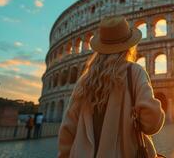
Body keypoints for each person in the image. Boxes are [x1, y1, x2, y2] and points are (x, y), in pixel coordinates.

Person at [58, 16, 165, 158]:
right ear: (129, 46)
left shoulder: (84, 81)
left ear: (100, 48)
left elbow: (67, 129)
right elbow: (151, 122)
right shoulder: (134, 72)